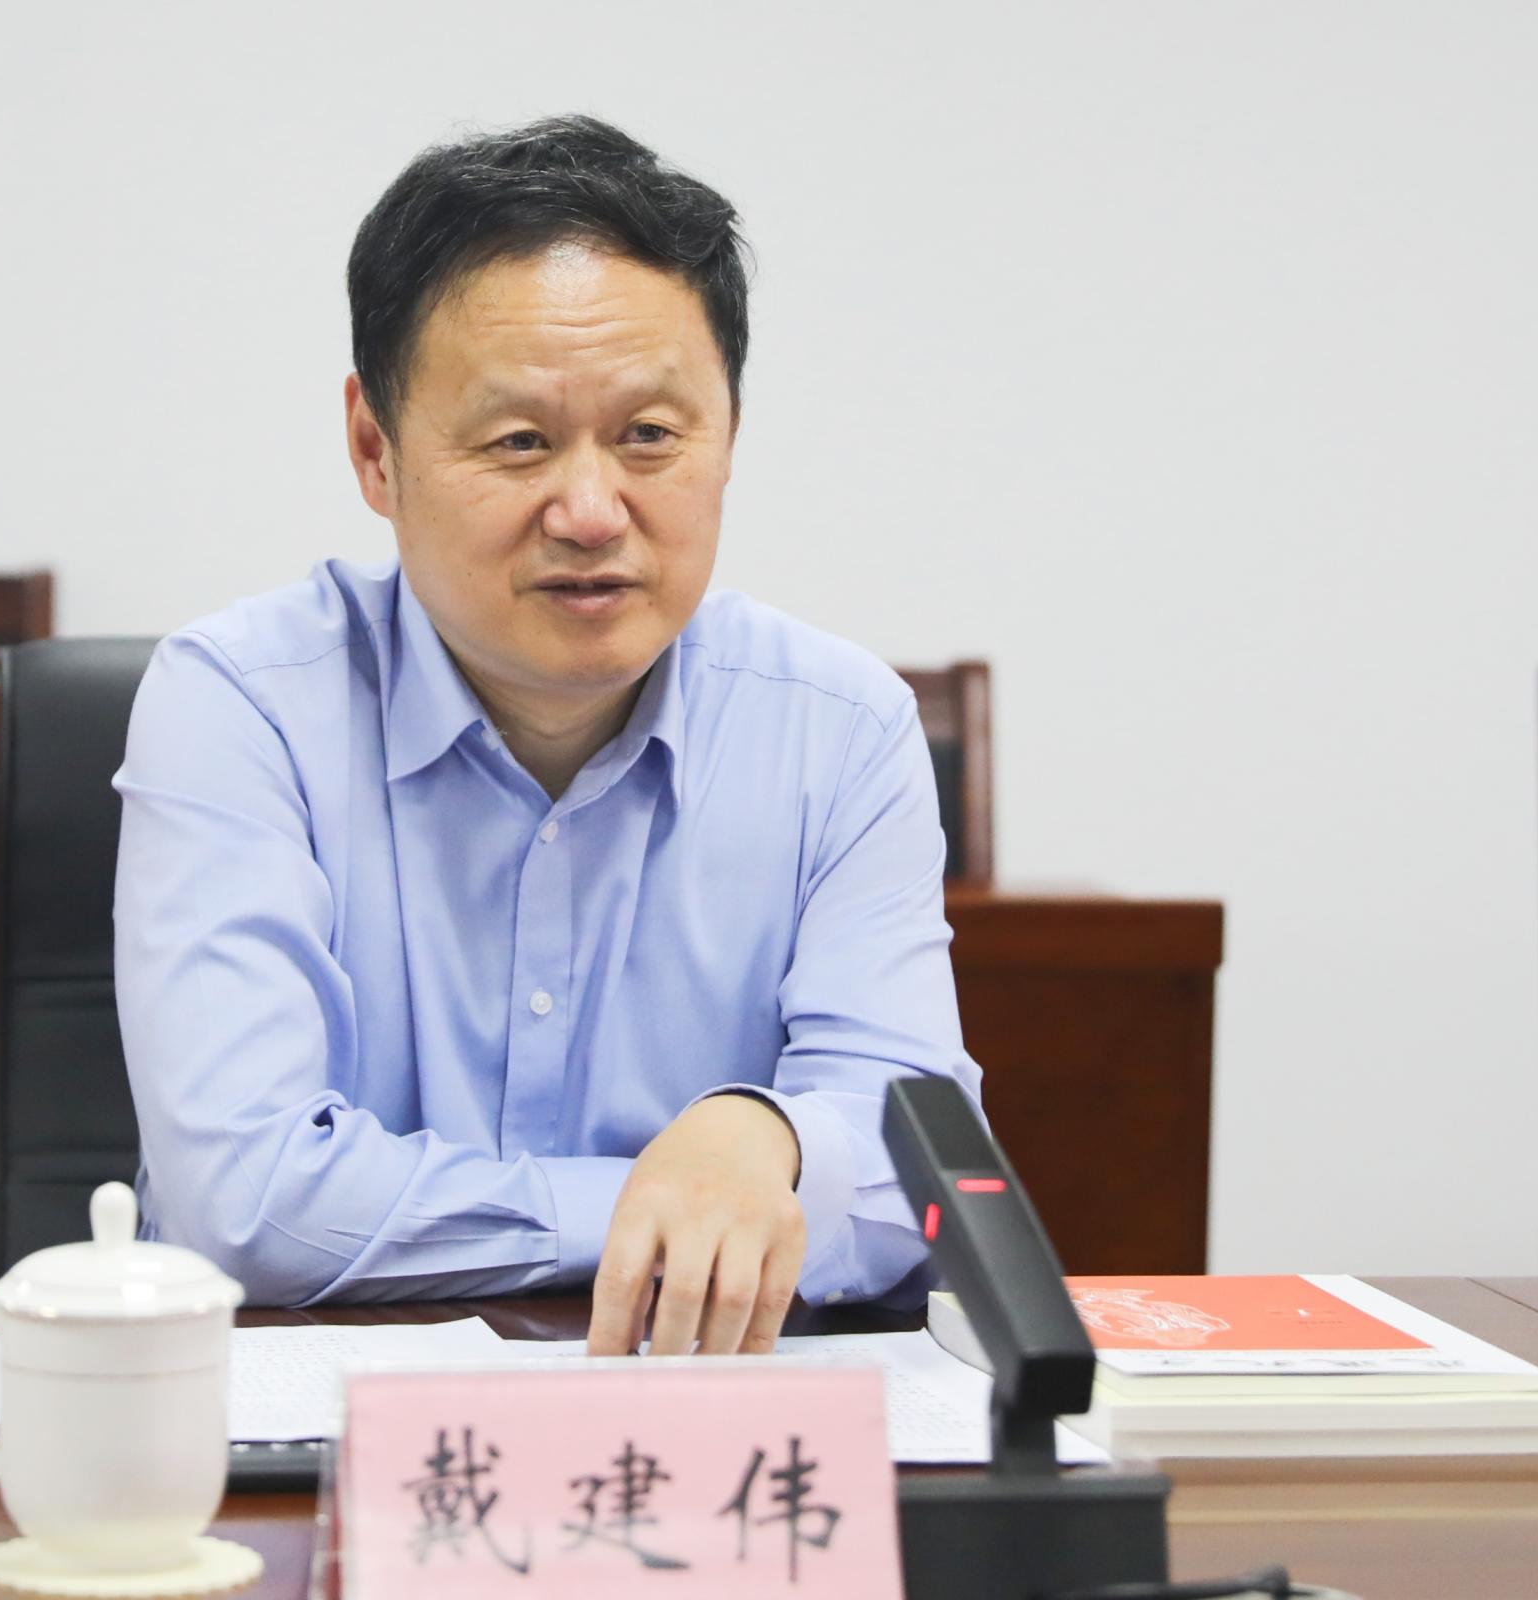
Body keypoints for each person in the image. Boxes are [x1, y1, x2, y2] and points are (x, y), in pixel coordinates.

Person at [113, 114, 981, 1356]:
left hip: (701, 1436)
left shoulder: (838, 732)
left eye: (648, 436)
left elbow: (928, 1181)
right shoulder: (241, 706)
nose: (589, 510)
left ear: (728, 434)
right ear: (373, 449)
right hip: (316, 1441)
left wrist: (763, 1138)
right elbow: (244, 1203)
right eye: (519, 441)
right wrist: (679, 1200)